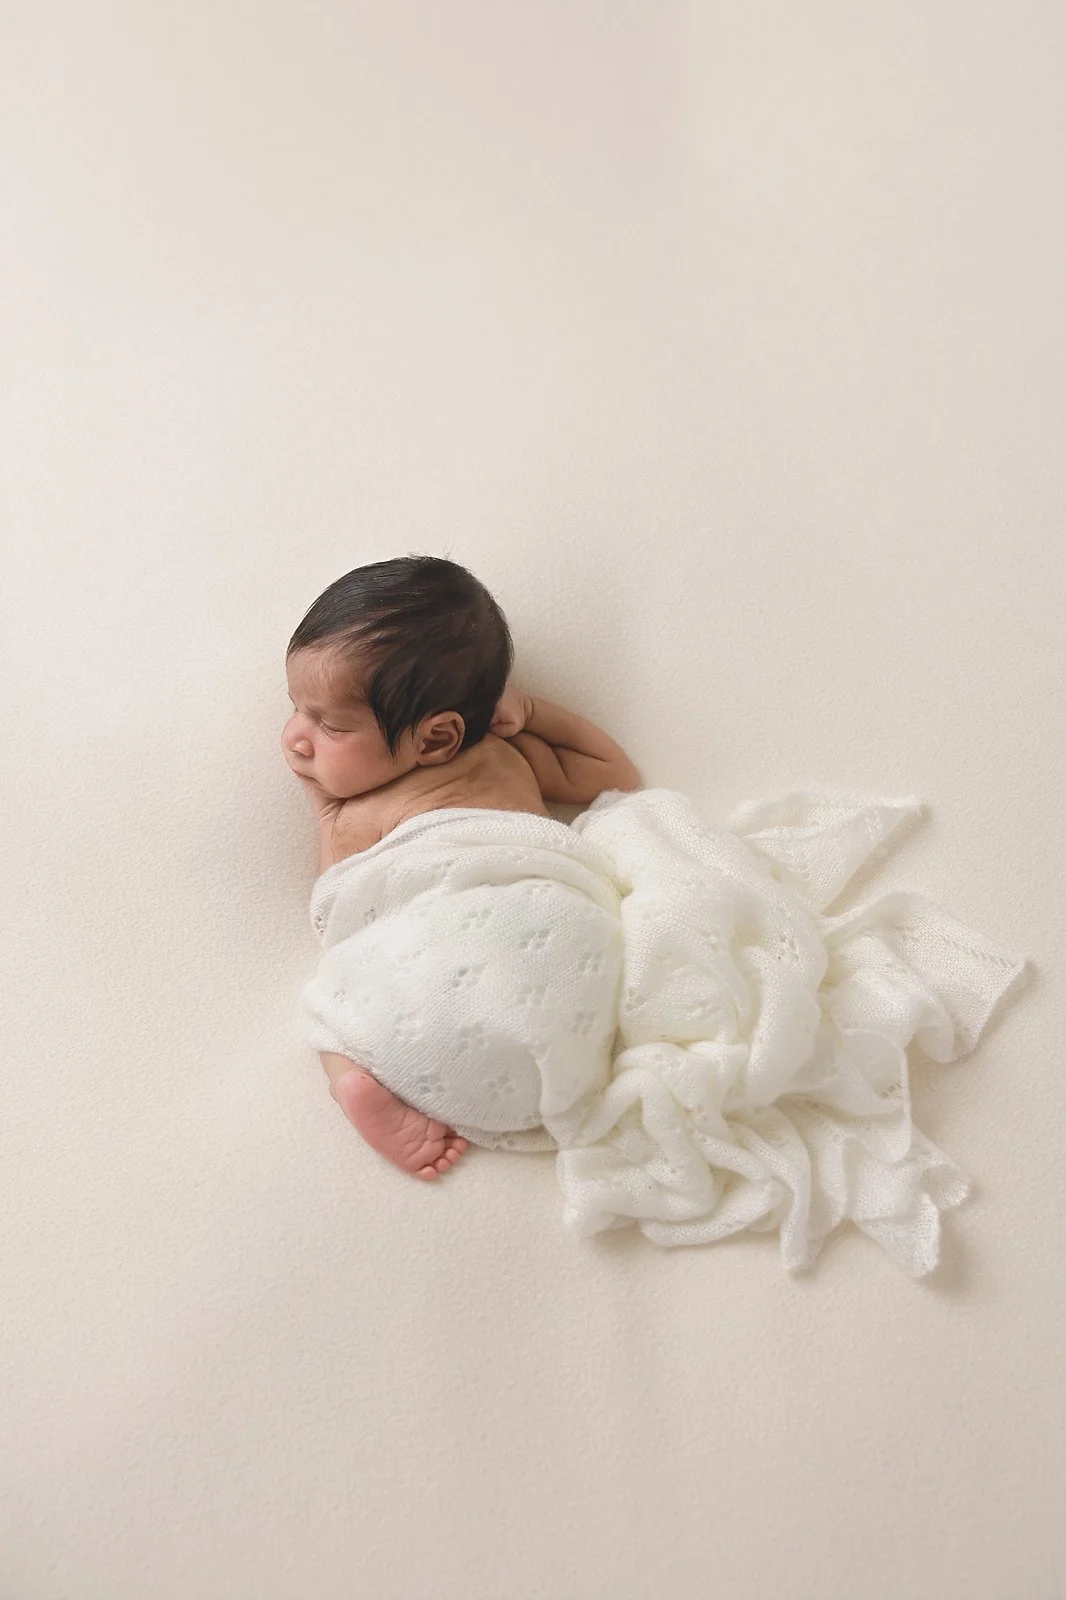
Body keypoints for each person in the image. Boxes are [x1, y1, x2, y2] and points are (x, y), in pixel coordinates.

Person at [281, 555, 641, 1180]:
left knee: (333, 1000)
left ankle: (352, 1073)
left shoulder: (357, 809)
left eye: (329, 724)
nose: (295, 736)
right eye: (298, 708)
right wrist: (534, 713)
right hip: (554, 924)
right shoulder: (512, 754)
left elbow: (337, 908)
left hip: (467, 925)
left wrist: (325, 810)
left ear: (438, 737)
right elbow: (615, 776)